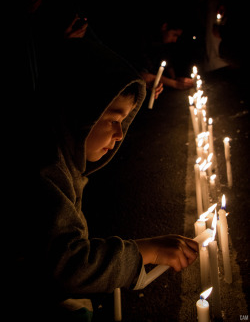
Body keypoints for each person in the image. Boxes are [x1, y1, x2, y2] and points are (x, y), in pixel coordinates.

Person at [13, 37, 198, 321]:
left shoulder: (63, 161)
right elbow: (67, 264)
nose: (120, 134)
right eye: (113, 119)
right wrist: (146, 251)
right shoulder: (45, 170)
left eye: (124, 122)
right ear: (79, 112)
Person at [140, 16, 195, 90]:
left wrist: (175, 79)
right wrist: (176, 84)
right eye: (174, 35)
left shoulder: (163, 44)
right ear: (164, 27)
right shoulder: (143, 41)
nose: (175, 40)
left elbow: (168, 64)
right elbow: (146, 75)